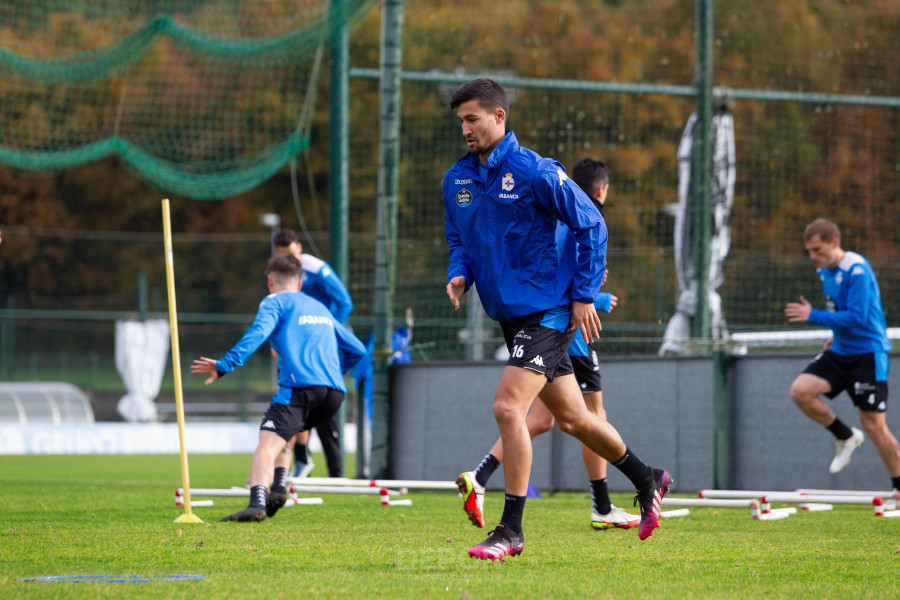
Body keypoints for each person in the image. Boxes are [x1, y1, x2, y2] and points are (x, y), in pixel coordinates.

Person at [443, 78, 671, 561]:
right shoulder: (457, 180)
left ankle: (511, 530)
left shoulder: (537, 172)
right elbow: (457, 239)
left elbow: (593, 223)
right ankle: (648, 477)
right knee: (572, 419)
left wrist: (585, 295)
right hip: (510, 315)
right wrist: (459, 274)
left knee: (508, 408)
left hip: (549, 311)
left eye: (473, 119)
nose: (465, 128)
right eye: (460, 120)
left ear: (499, 117)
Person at [457, 157, 641, 532]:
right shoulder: (577, 219)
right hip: (563, 327)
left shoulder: (550, 203)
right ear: (602, 190)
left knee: (546, 418)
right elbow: (567, 273)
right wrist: (595, 299)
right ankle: (603, 503)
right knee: (582, 414)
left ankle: (482, 475)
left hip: (546, 321)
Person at [191, 254, 366, 522]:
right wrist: (331, 373)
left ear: (270, 280)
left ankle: (256, 503)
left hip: (300, 390)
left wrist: (226, 364)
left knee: (266, 444)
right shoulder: (320, 307)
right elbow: (357, 349)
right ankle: (280, 486)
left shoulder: (274, 302)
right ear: (299, 284)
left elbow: (257, 333)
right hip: (334, 394)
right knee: (288, 432)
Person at [785, 218, 900, 497]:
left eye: (817, 250)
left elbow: (859, 317)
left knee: (874, 425)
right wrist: (836, 334)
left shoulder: (857, 270)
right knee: (800, 391)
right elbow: (842, 312)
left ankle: (899, 486)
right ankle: (845, 435)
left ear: (834, 243)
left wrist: (813, 316)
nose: (813, 256)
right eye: (809, 251)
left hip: (867, 354)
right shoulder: (825, 270)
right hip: (840, 351)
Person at [273, 229, 354, 479]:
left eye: (290, 253)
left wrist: (327, 329)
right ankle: (302, 461)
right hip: (293, 347)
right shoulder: (281, 271)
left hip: (318, 348)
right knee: (295, 401)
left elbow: (344, 302)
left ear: (299, 247)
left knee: (317, 408)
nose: (288, 259)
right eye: (282, 255)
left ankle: (332, 473)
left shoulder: (317, 269)